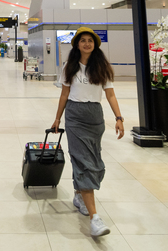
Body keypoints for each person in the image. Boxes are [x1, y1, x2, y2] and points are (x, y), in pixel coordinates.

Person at [50, 27, 123, 238]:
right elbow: (64, 94)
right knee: (83, 161)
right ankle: (95, 218)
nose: (86, 44)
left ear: (95, 44)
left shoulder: (102, 67)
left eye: (90, 40)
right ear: (76, 45)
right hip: (74, 115)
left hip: (95, 117)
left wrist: (118, 118)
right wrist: (57, 118)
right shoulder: (69, 67)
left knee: (91, 159)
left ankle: (79, 194)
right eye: (82, 40)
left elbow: (110, 95)